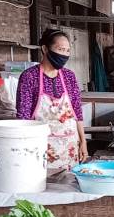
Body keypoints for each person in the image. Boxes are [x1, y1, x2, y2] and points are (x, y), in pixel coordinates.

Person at [16, 29, 88, 172]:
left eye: (67, 51)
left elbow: (77, 111)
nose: (64, 54)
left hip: (69, 146)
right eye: (60, 49)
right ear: (45, 49)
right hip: (40, 147)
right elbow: (22, 117)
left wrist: (83, 142)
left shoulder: (69, 76)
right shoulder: (29, 76)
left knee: (68, 186)